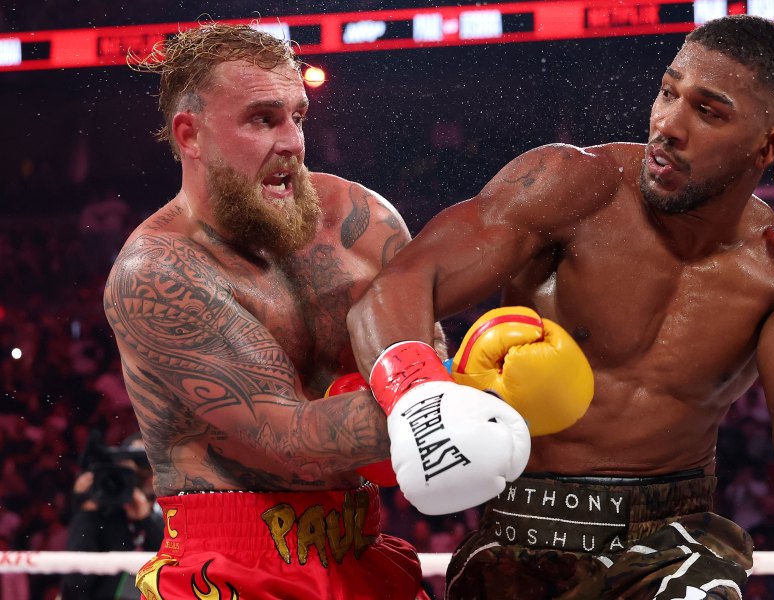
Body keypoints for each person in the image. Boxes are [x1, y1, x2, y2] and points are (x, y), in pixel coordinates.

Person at [349, 15, 774, 599]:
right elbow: (401, 283)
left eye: (708, 111)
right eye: (669, 92)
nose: (669, 125)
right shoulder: (574, 186)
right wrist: (419, 397)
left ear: (767, 146)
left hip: (675, 538)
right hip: (523, 524)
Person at [104, 22, 529, 599]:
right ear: (191, 135)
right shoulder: (159, 271)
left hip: (366, 550)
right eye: (262, 119)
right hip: (229, 568)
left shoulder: (359, 219)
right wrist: (454, 408)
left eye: (297, 116)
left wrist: (460, 385)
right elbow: (288, 439)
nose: (292, 142)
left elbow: (420, 353)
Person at [61, 433, 163, 600]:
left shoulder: (167, 512)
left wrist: (146, 520)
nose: (136, 479)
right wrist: (85, 508)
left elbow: (173, 563)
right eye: (129, 472)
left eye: (144, 468)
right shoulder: (97, 516)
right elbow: (76, 583)